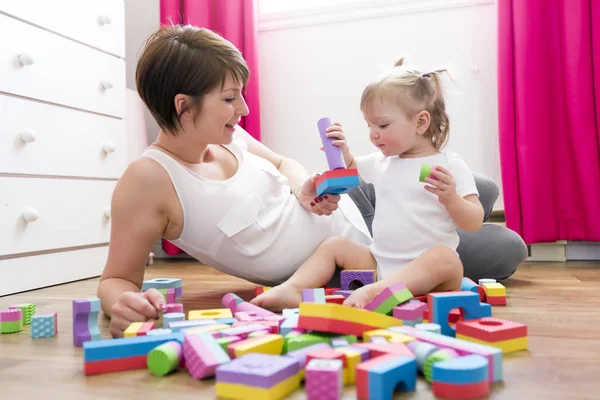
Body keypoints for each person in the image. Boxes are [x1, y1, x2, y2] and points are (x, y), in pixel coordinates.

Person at [97, 24, 527, 337]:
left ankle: (453, 205)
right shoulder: (149, 181)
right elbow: (115, 280)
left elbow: (285, 164)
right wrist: (123, 303)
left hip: (354, 201)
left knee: (478, 187)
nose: (244, 109)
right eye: (230, 99)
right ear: (183, 107)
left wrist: (304, 189)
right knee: (507, 246)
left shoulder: (230, 133)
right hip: (368, 252)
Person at [251, 58, 486, 311]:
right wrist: (341, 148)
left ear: (420, 122)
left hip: (431, 276)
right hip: (381, 265)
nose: (373, 133)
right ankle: (293, 288)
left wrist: (451, 199)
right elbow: (350, 165)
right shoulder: (383, 163)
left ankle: (376, 292)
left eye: (382, 125)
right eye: (369, 125)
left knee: (445, 258)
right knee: (334, 246)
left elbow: (473, 222)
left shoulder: (447, 165)